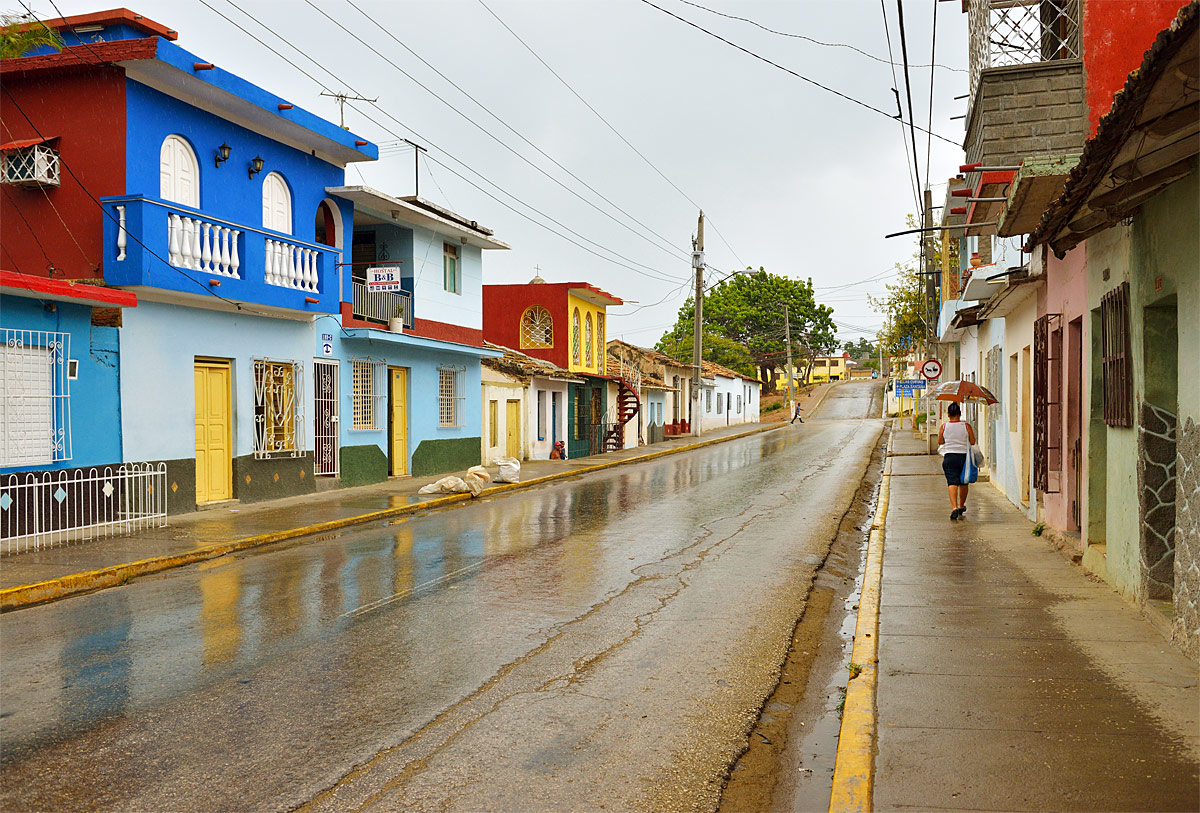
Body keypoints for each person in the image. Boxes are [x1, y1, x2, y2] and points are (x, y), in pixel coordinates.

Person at [938, 401, 976, 520]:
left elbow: (940, 441)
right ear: (960, 414)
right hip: (964, 457)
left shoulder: (944, 427)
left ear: (948, 414)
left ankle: (954, 507)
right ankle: (961, 506)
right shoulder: (966, 426)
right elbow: (973, 441)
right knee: (963, 482)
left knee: (952, 482)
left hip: (949, 457)